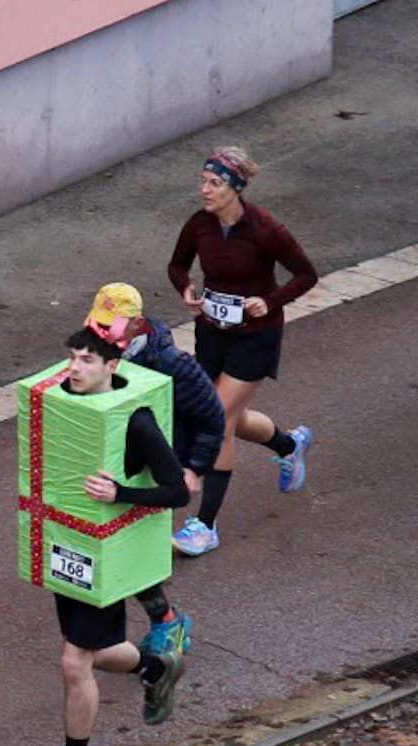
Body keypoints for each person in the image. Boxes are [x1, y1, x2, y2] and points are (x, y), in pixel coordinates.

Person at [28, 331, 190, 746]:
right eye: (71, 358)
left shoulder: (135, 422)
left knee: (74, 661)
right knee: (95, 651)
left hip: (108, 551)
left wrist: (119, 493)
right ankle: (158, 666)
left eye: (87, 360)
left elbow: (177, 491)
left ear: (111, 367)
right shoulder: (65, 405)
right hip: (69, 543)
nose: (74, 368)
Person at [165, 146, 319, 556]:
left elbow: (306, 275)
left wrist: (270, 301)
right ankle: (289, 445)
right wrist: (187, 290)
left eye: (214, 183)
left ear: (234, 188)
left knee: (218, 419)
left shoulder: (266, 229)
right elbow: (177, 265)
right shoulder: (199, 224)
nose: (205, 190)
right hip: (213, 332)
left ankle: (205, 527)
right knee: (229, 414)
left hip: (256, 336)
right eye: (203, 181)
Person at [84, 282, 220, 655]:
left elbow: (212, 417)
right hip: (116, 461)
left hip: (155, 468)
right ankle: (160, 621)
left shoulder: (171, 365)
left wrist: (194, 468)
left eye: (111, 326)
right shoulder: (99, 350)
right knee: (116, 548)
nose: (101, 333)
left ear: (137, 325)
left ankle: (167, 623)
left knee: (131, 550)